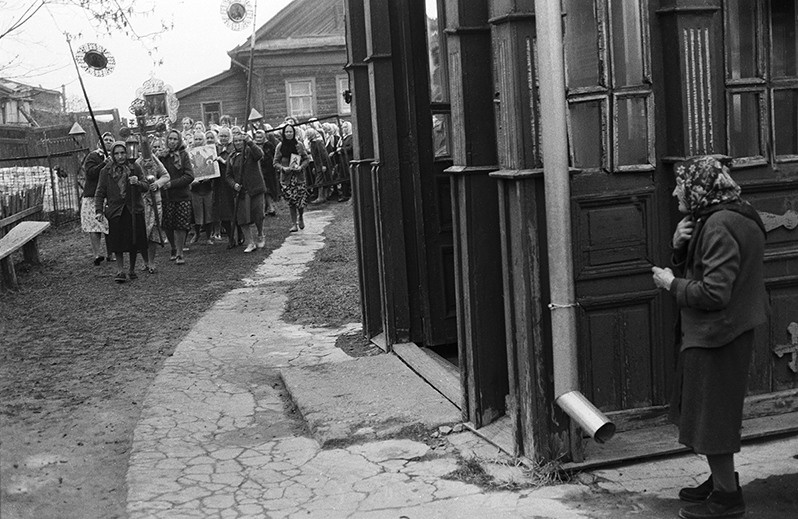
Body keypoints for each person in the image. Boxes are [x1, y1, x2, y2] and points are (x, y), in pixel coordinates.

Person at [651, 155, 767, 519]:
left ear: (700, 188)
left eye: (681, 185)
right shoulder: (728, 215)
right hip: (719, 331)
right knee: (705, 413)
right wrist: (679, 246)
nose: (675, 192)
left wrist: (671, 283)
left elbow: (715, 293)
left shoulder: (719, 226)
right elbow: (704, 269)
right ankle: (721, 480)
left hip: (720, 334)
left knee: (712, 419)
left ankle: (727, 499)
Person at [94, 142, 150, 283]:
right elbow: (100, 192)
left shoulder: (134, 167)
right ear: (112, 155)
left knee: (133, 240)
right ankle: (120, 270)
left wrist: (137, 182)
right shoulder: (106, 171)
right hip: (116, 210)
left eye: (123, 153)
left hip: (133, 209)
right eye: (117, 153)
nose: (120, 156)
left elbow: (146, 186)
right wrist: (99, 210)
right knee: (117, 241)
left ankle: (131, 269)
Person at [158, 129, 195, 265]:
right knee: (168, 224)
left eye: (175, 139)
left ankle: (180, 252)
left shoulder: (183, 155)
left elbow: (189, 176)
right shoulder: (162, 156)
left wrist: (172, 184)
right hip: (166, 196)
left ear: (179, 141)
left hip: (181, 195)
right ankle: (173, 247)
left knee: (181, 225)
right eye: (170, 139)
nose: (172, 141)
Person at [226, 131, 266, 253]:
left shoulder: (250, 151)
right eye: (236, 141)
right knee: (242, 217)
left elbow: (259, 155)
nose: (238, 143)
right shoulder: (231, 157)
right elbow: (228, 175)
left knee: (258, 214)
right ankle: (250, 242)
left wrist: (250, 142)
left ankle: (260, 234)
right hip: (241, 191)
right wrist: (234, 185)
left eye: (240, 140)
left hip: (255, 188)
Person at [81, 131, 115, 265]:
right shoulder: (93, 156)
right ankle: (97, 254)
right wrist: (104, 164)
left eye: (110, 140)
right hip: (93, 196)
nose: (108, 142)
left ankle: (111, 253)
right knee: (94, 226)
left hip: (109, 196)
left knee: (110, 226)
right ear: (99, 143)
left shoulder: (116, 157)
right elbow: (90, 173)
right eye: (105, 140)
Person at [137, 137, 169, 274]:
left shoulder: (155, 160)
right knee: (142, 232)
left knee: (154, 232)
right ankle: (144, 261)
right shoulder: (137, 163)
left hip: (155, 201)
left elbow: (166, 176)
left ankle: (151, 261)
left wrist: (157, 184)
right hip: (142, 202)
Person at [274, 123, 309, 232]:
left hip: (298, 177)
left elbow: (306, 159)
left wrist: (301, 167)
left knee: (300, 201)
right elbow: (275, 162)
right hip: (286, 178)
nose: (289, 134)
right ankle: (294, 224)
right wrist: (283, 168)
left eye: (290, 132)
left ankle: (301, 216)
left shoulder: (299, 145)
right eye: (287, 132)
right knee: (291, 202)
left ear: (294, 133)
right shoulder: (280, 146)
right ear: (283, 133)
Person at [188, 131, 215, 244]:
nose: (198, 141)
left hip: (207, 188)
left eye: (200, 139)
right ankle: (197, 234)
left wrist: (210, 176)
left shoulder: (209, 151)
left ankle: (208, 236)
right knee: (196, 213)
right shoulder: (189, 153)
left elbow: (213, 167)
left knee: (208, 213)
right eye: (196, 139)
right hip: (195, 189)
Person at [254, 128, 279, 216]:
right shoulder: (254, 146)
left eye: (260, 137)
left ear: (264, 137)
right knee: (263, 190)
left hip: (268, 171)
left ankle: (270, 207)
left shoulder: (269, 145)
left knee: (268, 189)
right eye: (257, 137)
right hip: (258, 170)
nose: (258, 139)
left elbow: (274, 155)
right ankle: (267, 208)